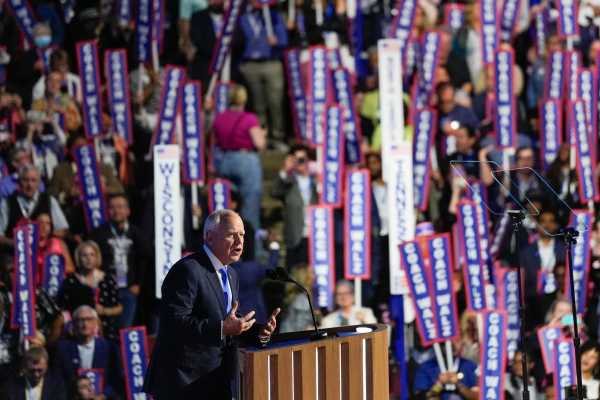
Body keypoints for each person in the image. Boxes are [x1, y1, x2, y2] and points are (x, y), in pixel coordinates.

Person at [144, 209, 281, 399]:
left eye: (242, 235)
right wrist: (223, 328)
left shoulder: (231, 274)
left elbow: (229, 320)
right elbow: (175, 323)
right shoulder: (188, 270)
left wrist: (257, 330)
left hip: (216, 379)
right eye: (232, 235)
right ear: (209, 237)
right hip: (183, 383)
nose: (240, 242)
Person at [212, 85, 267, 230]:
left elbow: (214, 141)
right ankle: (252, 247)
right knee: (250, 206)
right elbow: (259, 143)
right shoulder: (249, 118)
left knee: (227, 204)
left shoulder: (220, 118)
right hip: (246, 161)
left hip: (224, 160)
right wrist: (263, 134)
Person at [57, 241, 122, 341]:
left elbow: (119, 308)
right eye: (84, 255)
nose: (88, 258)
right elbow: (63, 307)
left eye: (92, 255)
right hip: (77, 328)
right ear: (79, 258)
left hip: (105, 328)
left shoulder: (108, 279)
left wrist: (104, 311)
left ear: (97, 257)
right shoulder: (70, 281)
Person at [54, 305, 120, 398]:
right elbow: (59, 379)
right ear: (73, 323)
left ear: (95, 323)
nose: (85, 324)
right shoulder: (63, 348)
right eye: (80, 320)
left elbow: (116, 379)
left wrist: (103, 395)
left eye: (89, 319)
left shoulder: (109, 347)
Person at [271, 144, 318, 268]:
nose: (300, 163)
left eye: (302, 159)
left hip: (315, 234)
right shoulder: (289, 181)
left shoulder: (316, 180)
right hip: (295, 235)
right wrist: (284, 170)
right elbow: (275, 192)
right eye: (296, 160)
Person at [0, 164, 69, 249]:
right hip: (15, 253)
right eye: (25, 180)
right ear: (19, 182)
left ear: (39, 183)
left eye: (33, 181)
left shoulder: (49, 200)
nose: (30, 185)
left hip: (44, 252)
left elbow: (62, 229)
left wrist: (44, 240)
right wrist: (15, 244)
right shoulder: (7, 203)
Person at [279, 263, 318, 333]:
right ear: (305, 277)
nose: (314, 276)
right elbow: (301, 329)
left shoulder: (295, 297)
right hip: (293, 341)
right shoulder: (301, 300)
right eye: (312, 273)